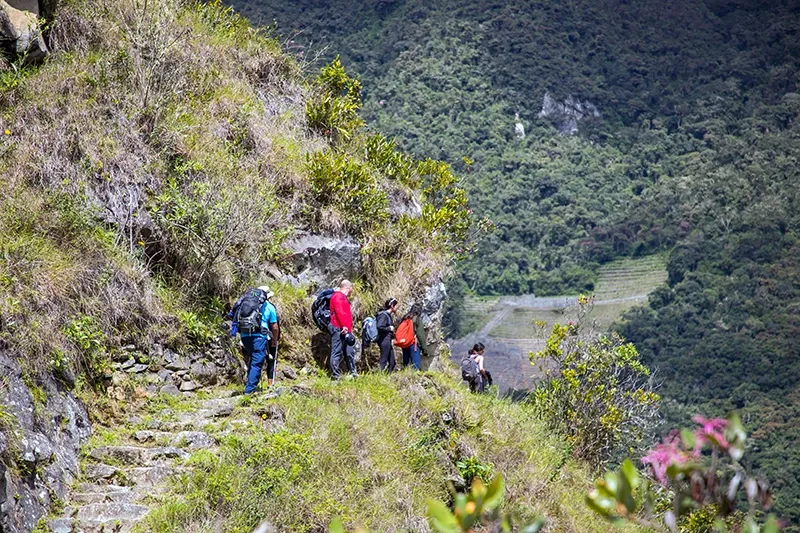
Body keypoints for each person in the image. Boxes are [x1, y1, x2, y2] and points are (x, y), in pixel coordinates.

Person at [231, 286, 280, 394]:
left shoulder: (245, 303)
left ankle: (249, 384)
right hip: (259, 336)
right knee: (257, 362)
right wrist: (274, 340)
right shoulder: (269, 306)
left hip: (244, 335)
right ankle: (249, 391)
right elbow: (275, 327)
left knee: (253, 359)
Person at [329, 279, 357, 380]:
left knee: (349, 351)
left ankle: (353, 372)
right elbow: (340, 312)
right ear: (348, 288)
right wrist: (344, 326)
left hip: (345, 329)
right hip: (338, 327)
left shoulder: (342, 298)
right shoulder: (338, 296)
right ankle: (335, 376)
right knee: (336, 351)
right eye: (351, 289)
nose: (351, 291)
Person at [400, 303, 428, 370]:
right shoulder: (417, 320)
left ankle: (404, 378)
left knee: (406, 364)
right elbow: (420, 335)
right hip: (413, 344)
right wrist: (425, 350)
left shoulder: (405, 318)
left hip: (405, 344)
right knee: (415, 366)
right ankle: (414, 379)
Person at [376, 298, 398, 372]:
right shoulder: (383, 315)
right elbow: (379, 326)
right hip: (384, 339)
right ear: (392, 306)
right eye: (396, 306)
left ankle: (386, 377)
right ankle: (377, 378)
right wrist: (389, 328)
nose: (397, 308)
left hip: (387, 339)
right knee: (383, 360)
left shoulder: (387, 315)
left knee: (392, 362)